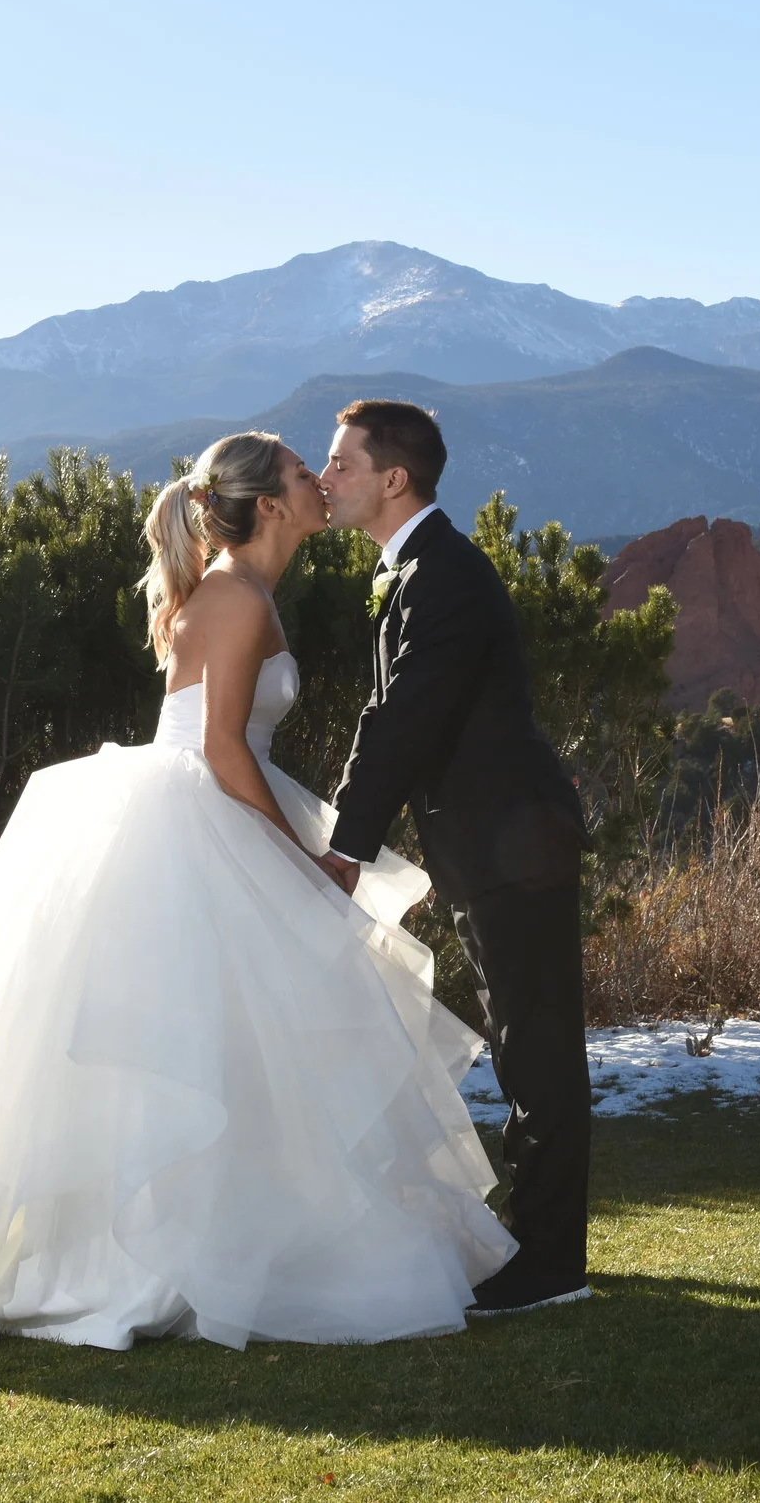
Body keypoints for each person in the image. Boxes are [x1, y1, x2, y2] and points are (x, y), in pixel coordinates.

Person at [0, 430, 515, 1352]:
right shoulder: (236, 598)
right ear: (274, 504)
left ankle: (231, 1242)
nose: (321, 482)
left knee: (239, 1047)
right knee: (207, 1043)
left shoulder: (245, 591)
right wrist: (294, 855)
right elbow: (219, 746)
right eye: (303, 471)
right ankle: (161, 1261)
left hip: (214, 804)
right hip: (202, 814)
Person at [318, 398, 593, 1315]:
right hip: (495, 845)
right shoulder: (421, 572)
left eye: (342, 464)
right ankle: (539, 1244)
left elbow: (402, 724)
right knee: (526, 1044)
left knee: (539, 1049)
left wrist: (347, 851)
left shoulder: (443, 578)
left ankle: (552, 1266)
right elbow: (387, 721)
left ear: (393, 479)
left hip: (515, 844)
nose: (328, 478)